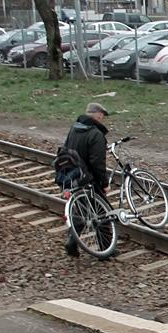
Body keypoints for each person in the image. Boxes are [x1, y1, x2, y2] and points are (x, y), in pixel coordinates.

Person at [62, 101, 111, 257]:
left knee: (81, 210)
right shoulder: (96, 134)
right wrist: (104, 183)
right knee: (103, 212)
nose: (102, 119)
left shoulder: (74, 128)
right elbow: (98, 164)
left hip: (73, 176)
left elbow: (65, 151)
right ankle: (106, 249)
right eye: (102, 116)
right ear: (98, 115)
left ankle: (72, 241)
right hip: (89, 179)